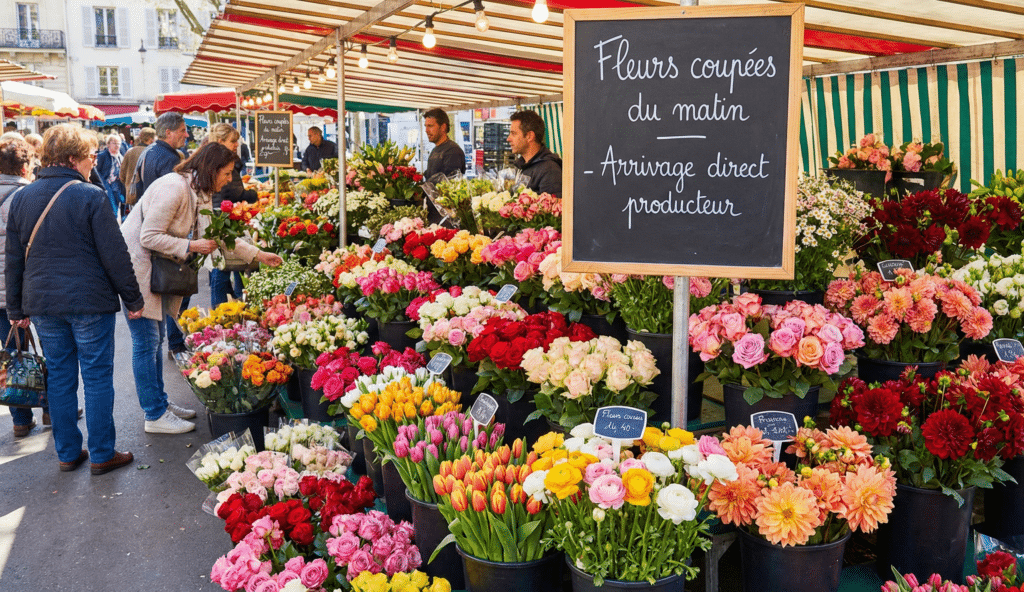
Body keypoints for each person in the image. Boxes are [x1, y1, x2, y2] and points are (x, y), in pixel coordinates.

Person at [6, 124, 144, 475]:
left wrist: (16, 308)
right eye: (89, 156)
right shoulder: (91, 196)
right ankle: (101, 453)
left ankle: (67, 452)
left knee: (60, 376)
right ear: (72, 158)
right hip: (89, 301)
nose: (92, 162)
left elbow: (13, 258)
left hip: (42, 303)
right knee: (96, 376)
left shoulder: (23, 197)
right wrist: (133, 299)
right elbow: (115, 255)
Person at [120, 142, 282, 434]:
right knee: (146, 342)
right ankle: (154, 414)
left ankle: (160, 403)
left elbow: (216, 235)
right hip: (136, 271)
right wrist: (190, 245)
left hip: (153, 269)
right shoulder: (174, 188)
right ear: (212, 168)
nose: (229, 180)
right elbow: (148, 236)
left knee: (154, 340)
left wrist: (257, 255)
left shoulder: (199, 191)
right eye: (227, 173)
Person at [133, 112, 190, 357]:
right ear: (168, 132)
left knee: (162, 294)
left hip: (148, 227)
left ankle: (170, 341)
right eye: (182, 131)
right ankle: (176, 343)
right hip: (161, 236)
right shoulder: (170, 159)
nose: (186, 135)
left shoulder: (147, 153)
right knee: (175, 290)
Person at [0, 137, 36, 437]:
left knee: (11, 356)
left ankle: (20, 419)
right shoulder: (25, 196)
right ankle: (47, 406)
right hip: (19, 287)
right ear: (24, 166)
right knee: (25, 352)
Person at [205, 123, 257, 307]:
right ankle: (219, 310)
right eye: (233, 141)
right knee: (222, 265)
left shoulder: (215, 159)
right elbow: (232, 192)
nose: (237, 144)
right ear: (220, 141)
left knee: (223, 264)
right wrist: (253, 195)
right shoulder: (220, 163)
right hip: (222, 216)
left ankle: (228, 305)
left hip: (220, 213)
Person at [507, 109, 562, 197]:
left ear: (529, 136)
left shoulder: (549, 170)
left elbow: (551, 208)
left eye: (513, 134)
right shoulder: (522, 165)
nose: (508, 139)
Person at [422, 108, 466, 181]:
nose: (426, 130)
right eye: (425, 126)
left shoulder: (453, 151)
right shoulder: (435, 149)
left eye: (430, 126)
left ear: (443, 127)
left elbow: (449, 184)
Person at [120, 127, 155, 210]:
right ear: (151, 139)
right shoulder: (153, 152)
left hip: (132, 195)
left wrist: (128, 185)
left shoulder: (130, 151)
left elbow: (122, 174)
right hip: (148, 195)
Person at [95, 134, 125, 218]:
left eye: (119, 143)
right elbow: (96, 171)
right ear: (108, 144)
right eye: (114, 143)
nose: (117, 145)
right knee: (113, 209)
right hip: (107, 185)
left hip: (118, 185)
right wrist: (102, 182)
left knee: (121, 203)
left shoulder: (120, 156)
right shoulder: (102, 155)